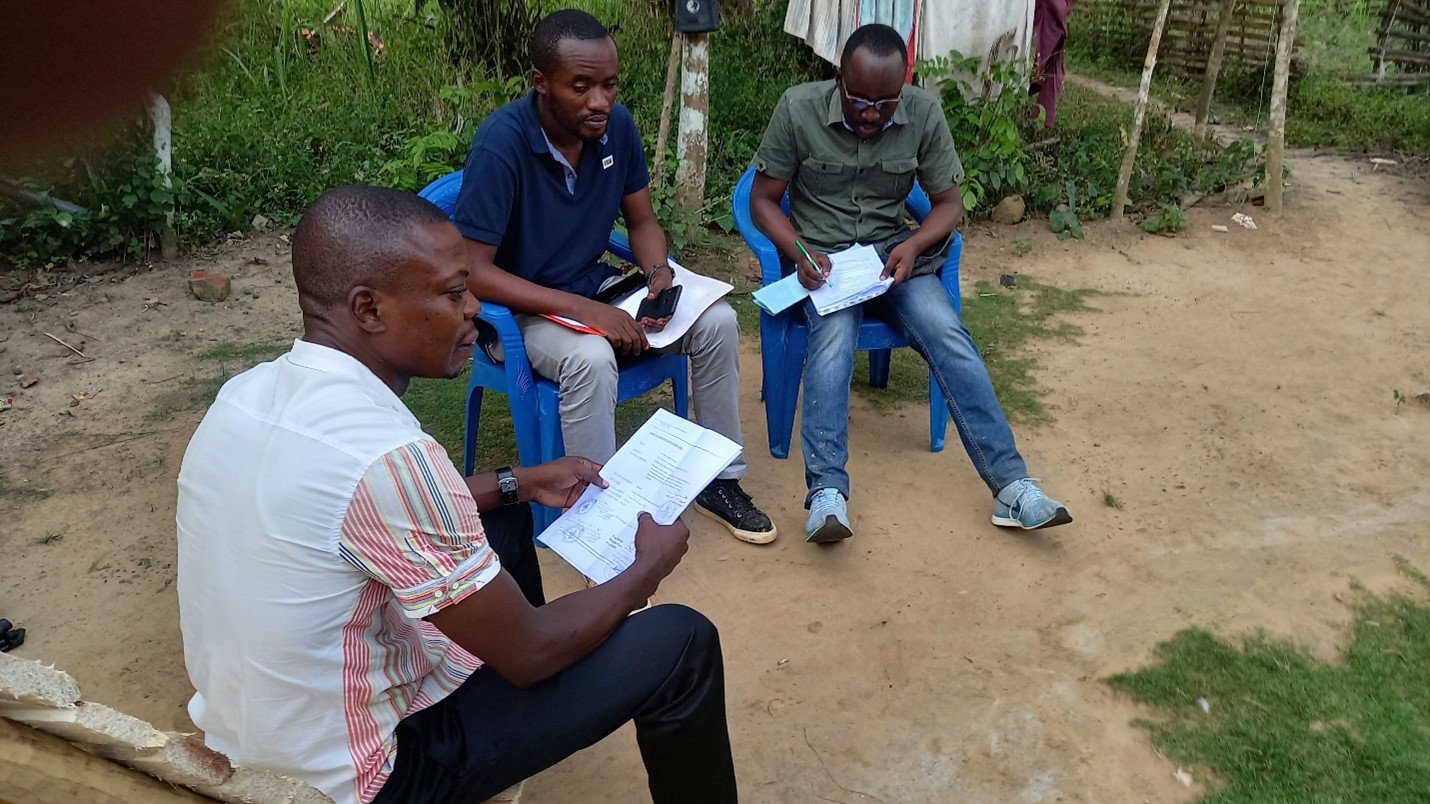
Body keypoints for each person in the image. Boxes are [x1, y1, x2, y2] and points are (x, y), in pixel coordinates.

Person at [176, 185, 738, 804]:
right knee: (681, 642)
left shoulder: (247, 393)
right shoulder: (388, 455)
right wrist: (644, 569)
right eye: (452, 292)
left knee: (505, 517)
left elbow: (349, 516)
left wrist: (517, 481)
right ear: (369, 309)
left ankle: (504, 690)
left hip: (256, 736)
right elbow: (530, 652)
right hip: (363, 779)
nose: (474, 307)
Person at [453, 9, 777, 545]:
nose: (599, 101)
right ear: (541, 84)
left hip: (594, 288)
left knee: (716, 320)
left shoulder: (615, 128)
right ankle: (604, 516)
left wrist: (657, 271)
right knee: (591, 356)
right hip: (518, 313)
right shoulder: (502, 144)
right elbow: (474, 272)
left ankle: (721, 480)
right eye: (580, 87)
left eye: (608, 84)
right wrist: (588, 314)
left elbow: (643, 220)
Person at [749, 24, 1073, 543]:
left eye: (886, 102)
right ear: (838, 79)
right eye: (859, 101)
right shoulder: (797, 107)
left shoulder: (923, 112)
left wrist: (916, 244)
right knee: (832, 343)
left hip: (893, 260)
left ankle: (1013, 488)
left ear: (904, 86)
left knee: (948, 334)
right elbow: (762, 200)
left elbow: (949, 203)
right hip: (826, 264)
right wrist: (798, 251)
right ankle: (827, 495)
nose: (873, 114)